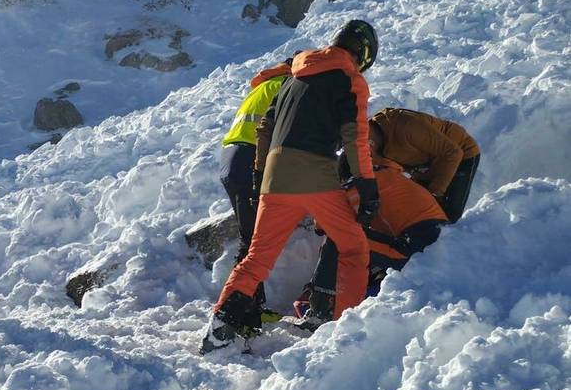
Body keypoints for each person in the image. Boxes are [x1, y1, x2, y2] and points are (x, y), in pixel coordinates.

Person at [202, 19, 380, 351]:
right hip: (314, 172)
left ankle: (221, 326)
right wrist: (366, 185)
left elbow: (265, 128)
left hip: (274, 176)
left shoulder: (294, 77)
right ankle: (345, 332)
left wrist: (260, 175)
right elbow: (355, 136)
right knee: (353, 246)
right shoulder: (349, 79)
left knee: (257, 258)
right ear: (363, 54)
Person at [299, 155, 449, 325]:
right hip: (430, 246)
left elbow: (322, 225)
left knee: (339, 237)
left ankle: (320, 311)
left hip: (413, 249)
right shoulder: (390, 176)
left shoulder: (364, 185)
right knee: (361, 239)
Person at [220, 59, 293, 259]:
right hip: (250, 157)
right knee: (254, 247)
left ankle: (246, 287)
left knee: (250, 238)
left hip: (230, 158)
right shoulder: (287, 85)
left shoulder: (263, 87)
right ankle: (243, 288)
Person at [369, 108, 480, 222]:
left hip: (461, 154)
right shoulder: (374, 147)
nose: (368, 154)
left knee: (447, 213)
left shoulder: (407, 126)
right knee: (418, 210)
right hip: (428, 162)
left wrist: (435, 192)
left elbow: (453, 153)